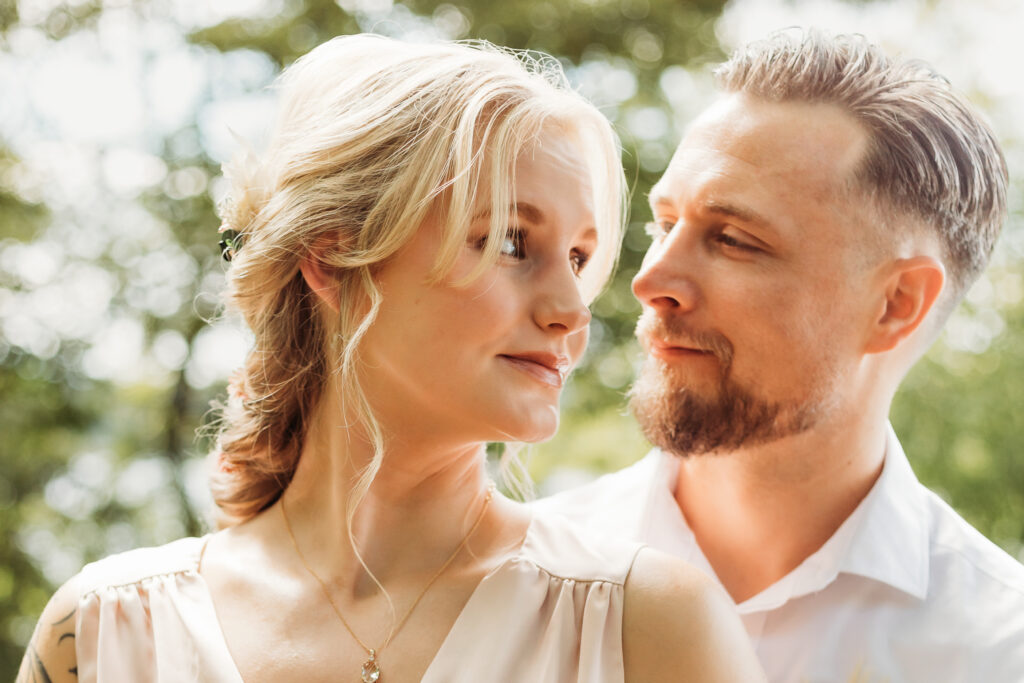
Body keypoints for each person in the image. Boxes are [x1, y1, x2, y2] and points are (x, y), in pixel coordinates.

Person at [18, 35, 764, 683]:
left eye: (577, 257)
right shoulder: (103, 632)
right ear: (333, 256)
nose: (572, 309)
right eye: (511, 241)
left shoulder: (644, 627)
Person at [538, 30, 1024, 682]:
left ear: (896, 303)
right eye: (665, 224)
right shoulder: (518, 580)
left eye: (734, 239)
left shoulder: (999, 653)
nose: (651, 280)